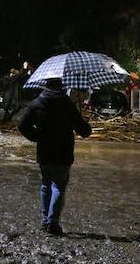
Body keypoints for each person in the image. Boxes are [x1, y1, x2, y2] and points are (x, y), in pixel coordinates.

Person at [17, 77, 92, 236]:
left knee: (46, 186)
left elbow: (22, 124)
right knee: (59, 187)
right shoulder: (67, 104)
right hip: (63, 152)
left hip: (44, 152)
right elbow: (84, 131)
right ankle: (53, 223)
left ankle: (46, 221)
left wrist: (36, 136)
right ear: (61, 87)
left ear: (46, 85)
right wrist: (85, 123)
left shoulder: (37, 103)